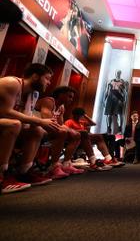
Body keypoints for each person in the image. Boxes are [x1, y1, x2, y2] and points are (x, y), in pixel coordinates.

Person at [0, 63, 59, 193]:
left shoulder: (33, 94)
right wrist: (40, 120)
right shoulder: (12, 83)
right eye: (47, 78)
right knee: (14, 124)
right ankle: (1, 176)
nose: (49, 83)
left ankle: (23, 173)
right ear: (35, 76)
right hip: (5, 120)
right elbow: (5, 112)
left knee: (37, 130)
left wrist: (45, 124)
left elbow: (25, 117)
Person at [35, 86, 84, 179]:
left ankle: (66, 164)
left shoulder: (61, 107)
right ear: (61, 95)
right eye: (69, 96)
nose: (71, 99)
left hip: (48, 130)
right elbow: (48, 121)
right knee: (62, 132)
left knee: (77, 135)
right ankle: (54, 166)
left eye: (72, 97)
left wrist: (71, 131)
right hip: (36, 128)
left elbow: (60, 124)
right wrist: (68, 130)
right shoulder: (49, 101)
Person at [103, 70, 128, 134]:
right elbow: (107, 91)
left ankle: (120, 129)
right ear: (115, 73)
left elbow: (125, 92)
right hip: (110, 98)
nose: (118, 74)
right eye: (117, 72)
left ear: (121, 73)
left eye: (119, 73)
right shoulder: (111, 81)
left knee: (119, 114)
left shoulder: (123, 82)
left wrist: (124, 101)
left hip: (118, 98)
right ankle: (108, 129)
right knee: (109, 114)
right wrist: (104, 100)